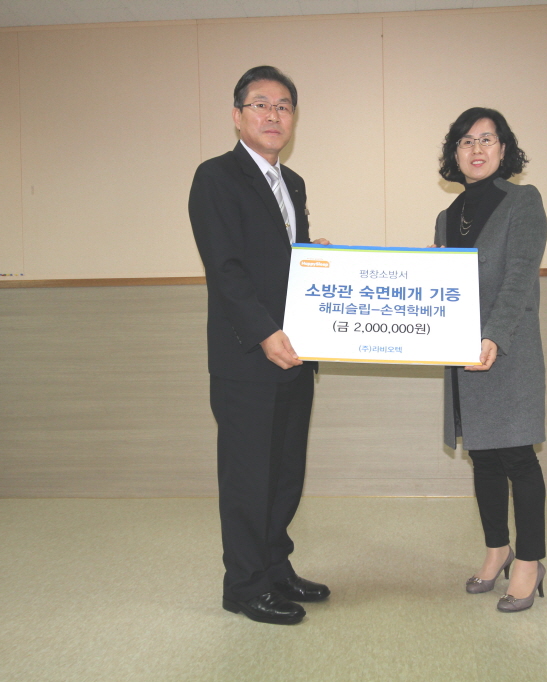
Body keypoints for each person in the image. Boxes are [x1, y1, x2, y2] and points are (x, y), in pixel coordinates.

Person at [188, 65, 330, 625]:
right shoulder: (216, 177)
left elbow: (284, 263)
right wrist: (266, 332)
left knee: (285, 472)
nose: (274, 115)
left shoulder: (292, 183)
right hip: (249, 354)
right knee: (249, 475)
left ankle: (275, 567)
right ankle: (244, 586)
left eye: (284, 106)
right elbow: (225, 268)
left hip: (296, 352)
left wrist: (318, 260)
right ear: (237, 115)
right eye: (261, 104)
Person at [433, 107, 547, 613]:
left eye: (487, 139)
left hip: (508, 349)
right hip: (462, 356)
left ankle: (530, 560)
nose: (476, 149)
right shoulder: (445, 218)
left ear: (504, 149)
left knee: (517, 456)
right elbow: (440, 287)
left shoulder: (523, 201)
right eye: (466, 141)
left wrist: (494, 337)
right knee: (482, 456)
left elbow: (520, 277)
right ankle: (497, 549)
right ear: (454, 153)